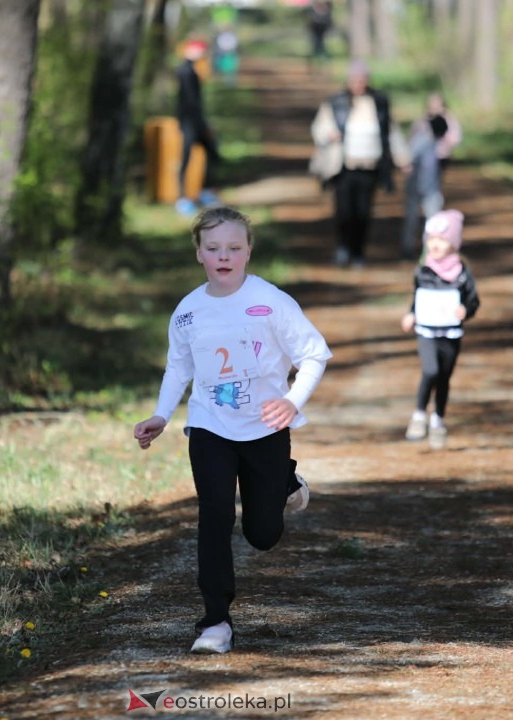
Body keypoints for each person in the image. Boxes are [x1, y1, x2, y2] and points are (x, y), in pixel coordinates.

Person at [133, 205, 332, 654]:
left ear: (248, 252)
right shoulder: (188, 312)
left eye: (234, 248)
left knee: (262, 535)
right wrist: (162, 415)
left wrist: (291, 401)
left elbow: (315, 354)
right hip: (210, 426)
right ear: (199, 254)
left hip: (265, 427)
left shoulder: (271, 302)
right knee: (215, 516)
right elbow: (178, 367)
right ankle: (215, 622)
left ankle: (285, 480)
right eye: (213, 248)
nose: (224, 256)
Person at [309, 60, 400, 268]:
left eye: (362, 79)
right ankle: (343, 247)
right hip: (343, 167)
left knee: (363, 213)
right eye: (355, 79)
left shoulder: (379, 102)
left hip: (369, 167)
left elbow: (391, 133)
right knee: (344, 211)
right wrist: (329, 135)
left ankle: (359, 252)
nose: (359, 83)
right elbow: (319, 128)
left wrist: (402, 159)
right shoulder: (336, 102)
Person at [401, 209, 480, 450]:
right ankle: (418, 415)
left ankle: (438, 420)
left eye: (442, 239)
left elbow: (473, 301)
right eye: (431, 239)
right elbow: (417, 297)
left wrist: (466, 310)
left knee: (444, 376)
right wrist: (411, 313)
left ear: (454, 243)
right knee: (431, 370)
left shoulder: (462, 274)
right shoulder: (422, 271)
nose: (435, 244)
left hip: (451, 333)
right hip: (426, 331)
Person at [176, 39, 222, 217]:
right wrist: (202, 125)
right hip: (190, 123)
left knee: (211, 154)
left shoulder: (189, 71)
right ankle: (183, 199)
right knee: (186, 159)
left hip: (193, 122)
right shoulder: (186, 72)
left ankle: (204, 192)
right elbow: (191, 103)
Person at [400, 112, 448, 260]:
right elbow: (407, 161)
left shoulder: (437, 143)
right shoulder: (421, 141)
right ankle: (407, 250)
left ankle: (429, 253)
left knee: (433, 223)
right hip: (415, 187)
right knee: (411, 221)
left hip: (431, 189)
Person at [307, 0, 333, 65]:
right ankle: (316, 57)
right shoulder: (314, 11)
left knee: (321, 44)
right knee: (316, 44)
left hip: (322, 31)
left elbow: (328, 21)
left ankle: (321, 57)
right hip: (316, 30)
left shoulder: (326, 11)